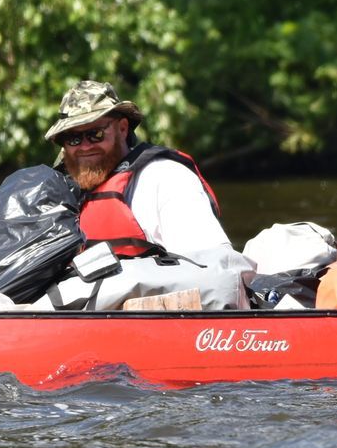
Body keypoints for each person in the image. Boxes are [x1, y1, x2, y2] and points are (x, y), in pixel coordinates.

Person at [37, 80, 237, 308]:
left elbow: (215, 274)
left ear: (122, 128)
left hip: (151, 322)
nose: (84, 146)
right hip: (78, 319)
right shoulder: (62, 194)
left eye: (95, 134)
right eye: (73, 138)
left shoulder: (165, 177)